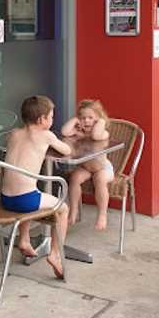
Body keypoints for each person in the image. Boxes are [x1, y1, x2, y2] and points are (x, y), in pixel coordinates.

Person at [0, 95, 72, 279]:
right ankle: (55, 254)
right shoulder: (46, 135)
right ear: (42, 120)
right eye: (51, 117)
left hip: (5, 199)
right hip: (24, 201)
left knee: (32, 190)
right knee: (63, 209)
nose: (52, 120)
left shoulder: (15, 133)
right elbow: (67, 151)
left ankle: (24, 240)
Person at [61, 99, 112, 230]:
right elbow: (65, 132)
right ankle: (73, 211)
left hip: (102, 167)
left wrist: (101, 121)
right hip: (86, 167)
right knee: (74, 178)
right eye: (83, 118)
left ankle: (102, 215)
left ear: (98, 119)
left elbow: (95, 136)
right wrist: (75, 120)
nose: (87, 121)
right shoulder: (79, 133)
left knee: (99, 179)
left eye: (90, 117)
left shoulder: (102, 133)